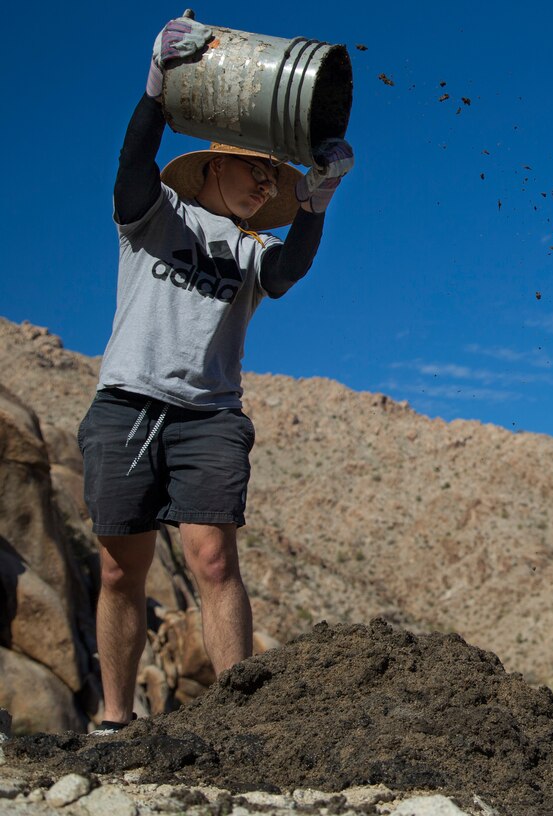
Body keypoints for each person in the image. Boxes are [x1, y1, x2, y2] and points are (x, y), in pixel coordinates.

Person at [78, 16, 354, 733]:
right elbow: (133, 165)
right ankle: (114, 717)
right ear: (212, 168)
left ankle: (239, 726)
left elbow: (289, 270)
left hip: (210, 417)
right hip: (128, 404)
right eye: (254, 169)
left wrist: (316, 207)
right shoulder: (154, 217)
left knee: (213, 561)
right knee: (119, 570)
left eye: (275, 177)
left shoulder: (254, 251)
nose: (266, 185)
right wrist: (154, 88)